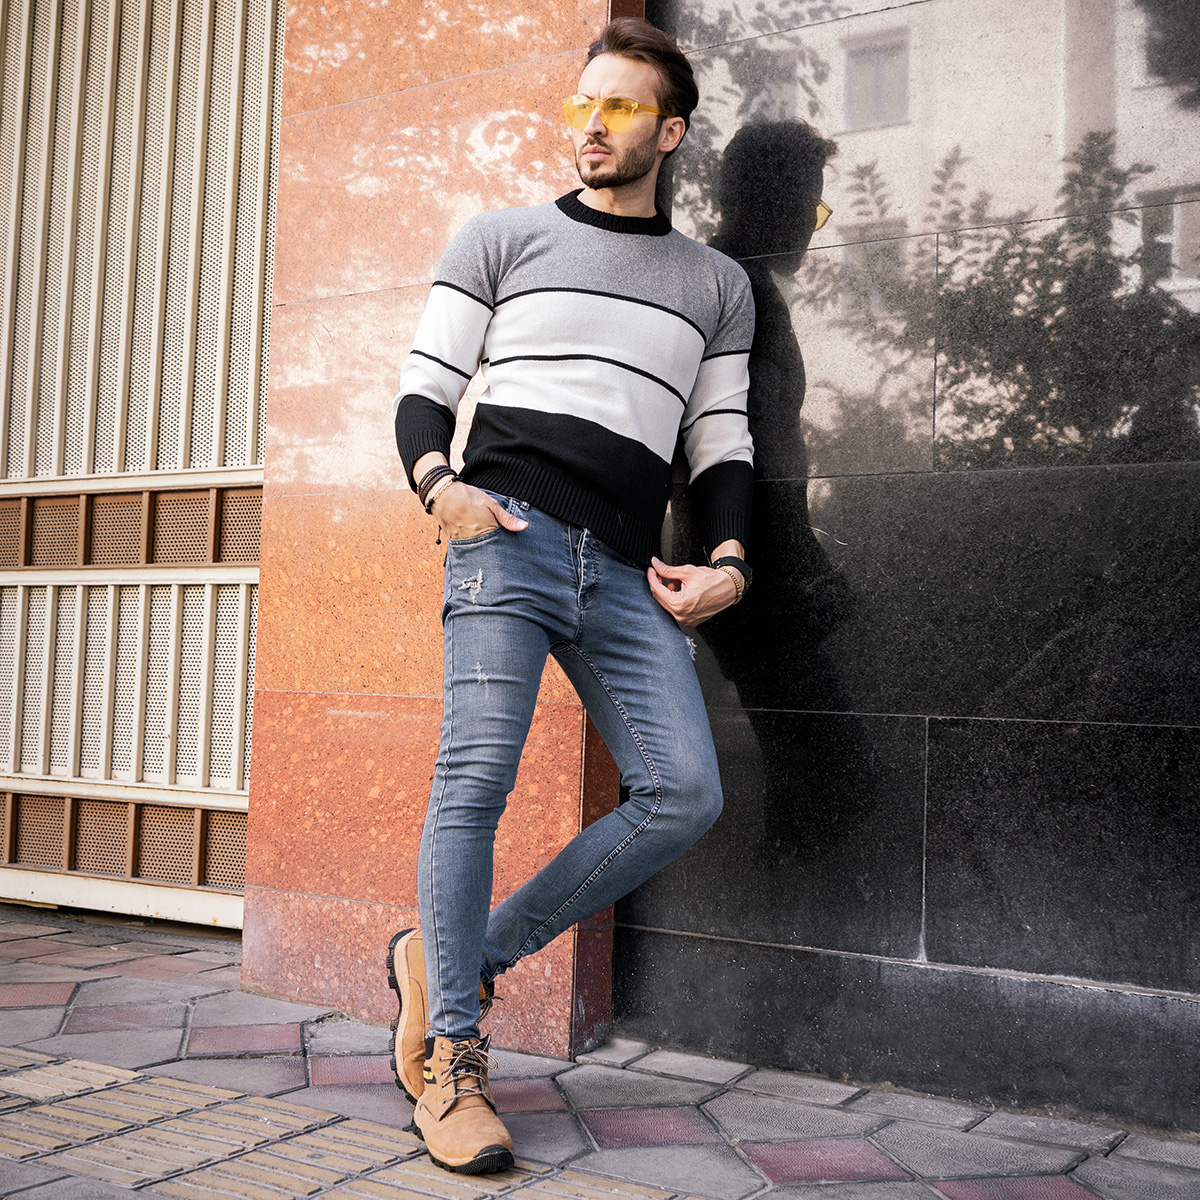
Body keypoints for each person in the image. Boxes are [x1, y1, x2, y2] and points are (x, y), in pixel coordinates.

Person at [387, 17, 754, 1175]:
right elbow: (424, 390)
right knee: (475, 780)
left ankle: (457, 960)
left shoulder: (715, 284)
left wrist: (729, 559)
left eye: (621, 106)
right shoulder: (503, 238)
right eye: (581, 103)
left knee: (684, 792)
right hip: (505, 537)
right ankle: (454, 1055)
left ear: (671, 131)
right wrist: (440, 486)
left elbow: (722, 441)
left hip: (628, 567)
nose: (592, 124)